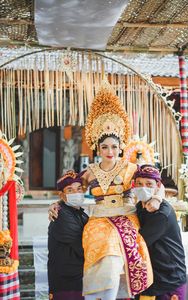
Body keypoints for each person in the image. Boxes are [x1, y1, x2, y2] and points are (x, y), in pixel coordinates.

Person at [49, 81, 160, 300]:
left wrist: (156, 198)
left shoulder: (132, 169)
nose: (110, 151)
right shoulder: (89, 172)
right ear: (97, 148)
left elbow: (160, 185)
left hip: (126, 217)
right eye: (105, 147)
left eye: (114, 147)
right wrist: (56, 203)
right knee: (100, 253)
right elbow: (68, 190)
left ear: (121, 148)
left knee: (113, 257)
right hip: (98, 220)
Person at [133, 164, 187, 300]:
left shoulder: (162, 213)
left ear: (157, 186)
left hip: (168, 279)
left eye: (148, 184)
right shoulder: (140, 206)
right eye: (139, 183)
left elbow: (140, 242)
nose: (143, 187)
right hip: (151, 277)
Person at [48, 170, 89, 300]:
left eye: (79, 188)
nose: (76, 193)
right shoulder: (62, 215)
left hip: (78, 277)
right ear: (62, 195)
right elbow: (81, 246)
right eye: (70, 190)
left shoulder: (79, 213)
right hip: (67, 281)